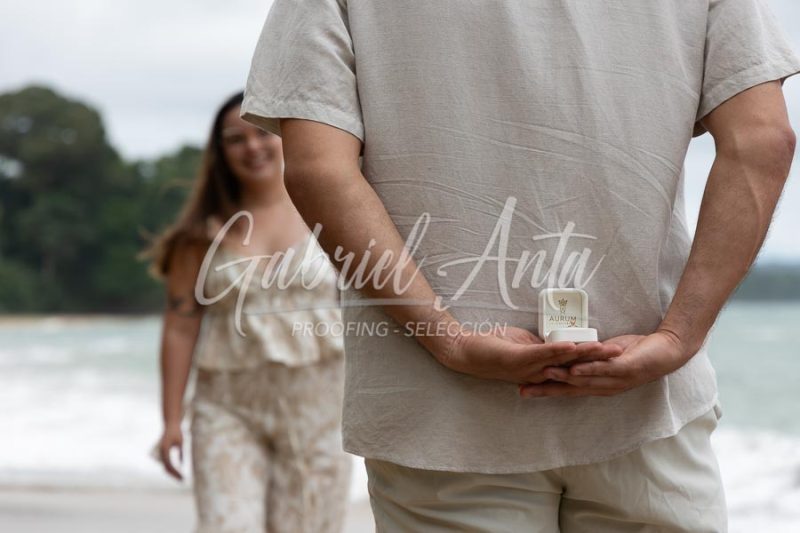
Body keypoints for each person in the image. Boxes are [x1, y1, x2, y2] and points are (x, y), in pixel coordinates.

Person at [241, 0, 799, 530]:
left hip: (438, 413)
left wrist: (450, 340)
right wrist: (679, 334)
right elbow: (763, 140)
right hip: (643, 397)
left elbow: (319, 170)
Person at [147, 91, 351, 533]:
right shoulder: (200, 235)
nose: (252, 147)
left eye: (262, 133)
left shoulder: (330, 212)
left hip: (320, 412)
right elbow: (180, 330)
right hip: (227, 411)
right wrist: (170, 421)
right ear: (219, 152)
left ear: (284, 136)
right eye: (234, 139)